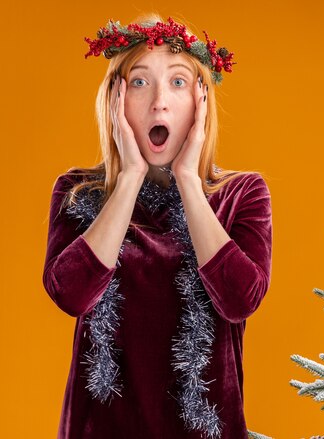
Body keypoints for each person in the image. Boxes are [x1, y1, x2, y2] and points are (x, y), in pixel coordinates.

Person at [42, 13, 272, 439]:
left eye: (179, 82)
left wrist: (188, 179)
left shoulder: (242, 193)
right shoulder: (77, 192)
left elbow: (241, 299)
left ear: (201, 102)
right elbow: (70, 294)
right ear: (115, 98)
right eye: (140, 82)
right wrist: (128, 178)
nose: (159, 102)